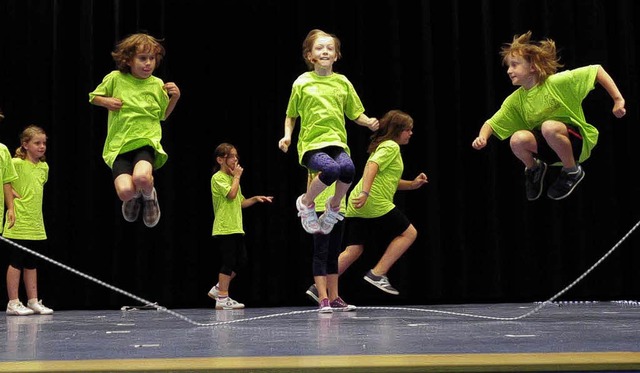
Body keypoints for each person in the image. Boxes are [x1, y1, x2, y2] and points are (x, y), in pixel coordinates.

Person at [472, 30, 626, 201]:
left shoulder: (556, 83)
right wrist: (482, 137)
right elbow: (492, 123)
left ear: (532, 67)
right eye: (508, 66)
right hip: (549, 149)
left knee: (549, 126)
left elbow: (596, 70)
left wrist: (618, 100)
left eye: (514, 65)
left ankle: (572, 170)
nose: (509, 70)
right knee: (517, 139)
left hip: (575, 143)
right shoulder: (515, 100)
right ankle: (534, 169)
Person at [278, 29, 379, 235]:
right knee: (331, 170)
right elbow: (291, 114)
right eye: (319, 48)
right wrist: (287, 136)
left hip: (337, 142)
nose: (325, 51)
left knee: (348, 169)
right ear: (310, 56)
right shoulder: (302, 82)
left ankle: (333, 208)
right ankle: (306, 203)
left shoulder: (342, 82)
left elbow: (355, 113)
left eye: (330, 48)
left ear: (336, 55)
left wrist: (368, 122)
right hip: (311, 145)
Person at [325, 110, 427, 296]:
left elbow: (389, 181)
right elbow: (371, 167)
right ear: (398, 130)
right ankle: (377, 274)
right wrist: (365, 192)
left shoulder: (385, 146)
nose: (411, 133)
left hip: (357, 204)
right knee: (409, 233)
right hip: (373, 200)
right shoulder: (391, 146)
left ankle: (320, 287)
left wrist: (412, 184)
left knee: (353, 249)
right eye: (408, 129)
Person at [89, 32, 181, 227]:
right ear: (128, 60)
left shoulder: (157, 84)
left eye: (152, 59)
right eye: (142, 58)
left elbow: (163, 115)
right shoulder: (116, 78)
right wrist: (106, 101)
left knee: (141, 176)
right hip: (120, 145)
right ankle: (135, 196)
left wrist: (175, 98)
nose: (148, 63)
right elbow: (93, 96)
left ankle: (149, 197)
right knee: (125, 191)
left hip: (146, 141)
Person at [207, 143, 273, 310]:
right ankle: (222, 298)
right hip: (224, 227)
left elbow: (240, 201)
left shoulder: (231, 178)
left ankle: (218, 288)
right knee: (228, 261)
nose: (235, 159)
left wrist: (256, 198)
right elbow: (231, 194)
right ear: (220, 159)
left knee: (241, 260)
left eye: (236, 156)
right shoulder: (218, 178)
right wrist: (237, 177)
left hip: (236, 226)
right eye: (231, 156)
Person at [4, 125, 53, 315]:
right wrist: (10, 193)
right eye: (37, 143)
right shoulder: (15, 163)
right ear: (25, 145)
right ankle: (13, 302)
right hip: (17, 220)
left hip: (35, 222)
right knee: (16, 261)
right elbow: (4, 180)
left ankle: (32, 300)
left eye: (44, 143)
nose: (42, 147)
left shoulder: (44, 167)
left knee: (32, 262)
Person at [303, 172, 355, 313]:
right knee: (321, 252)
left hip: (338, 208)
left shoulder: (342, 157)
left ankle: (334, 297)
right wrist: (309, 208)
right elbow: (311, 181)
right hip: (320, 207)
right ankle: (323, 298)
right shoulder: (317, 157)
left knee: (333, 254)